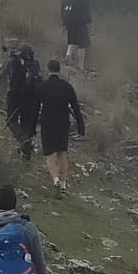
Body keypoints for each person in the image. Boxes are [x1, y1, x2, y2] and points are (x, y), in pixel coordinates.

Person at [36, 55, 85, 190]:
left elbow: (35, 107)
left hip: (47, 123)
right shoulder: (67, 87)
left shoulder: (42, 87)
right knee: (62, 153)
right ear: (59, 70)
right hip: (63, 123)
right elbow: (75, 107)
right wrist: (81, 126)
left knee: (49, 154)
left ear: (48, 70)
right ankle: (63, 184)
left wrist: (32, 125)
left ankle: (55, 179)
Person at [0, 40, 41, 160]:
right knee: (26, 122)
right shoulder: (34, 63)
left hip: (14, 95)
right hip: (31, 97)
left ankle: (23, 139)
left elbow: (0, 76)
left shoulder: (11, 61)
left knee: (11, 121)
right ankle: (26, 153)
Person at [61, 0, 93, 73]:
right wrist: (88, 22)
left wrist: (63, 22)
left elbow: (62, 7)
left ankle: (68, 55)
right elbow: (86, 11)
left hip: (68, 21)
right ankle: (80, 66)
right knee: (82, 44)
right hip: (80, 22)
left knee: (72, 40)